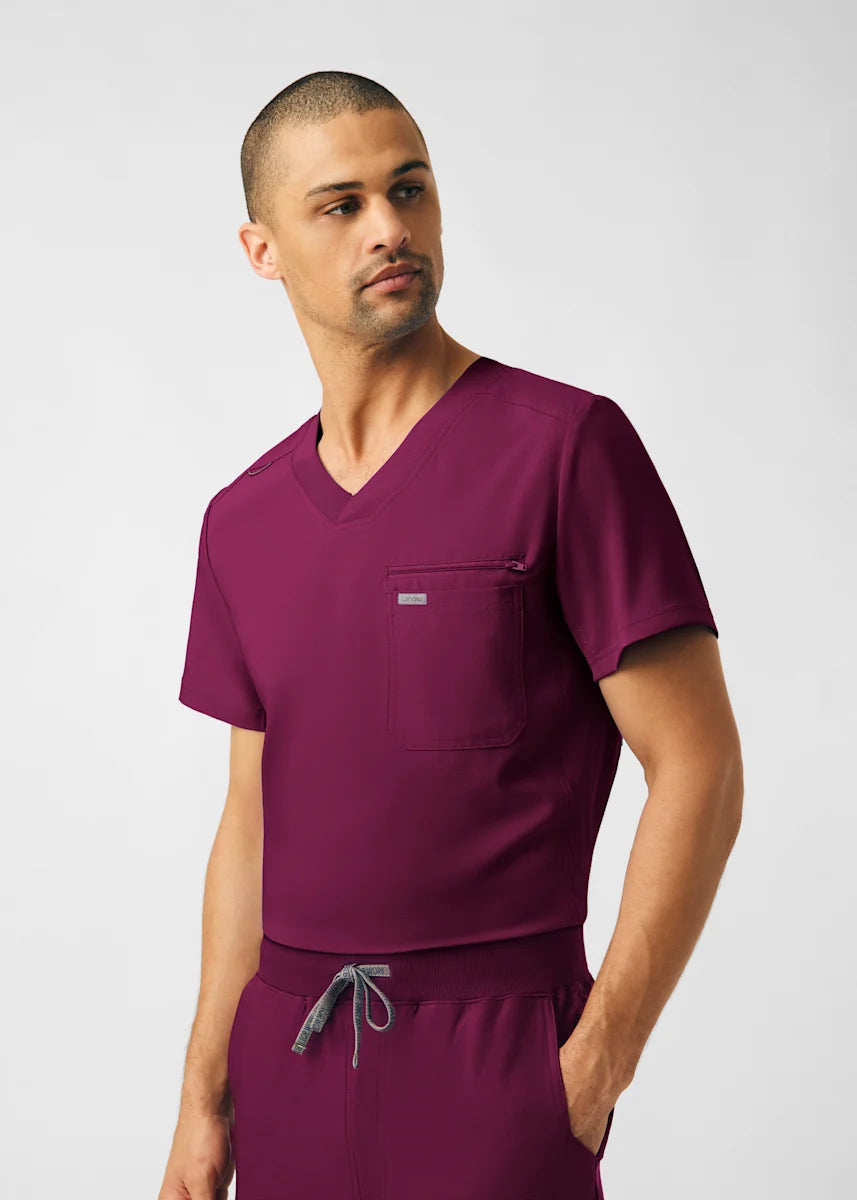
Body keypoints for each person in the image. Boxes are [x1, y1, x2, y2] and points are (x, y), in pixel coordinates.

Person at [158, 70, 743, 1200]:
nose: (389, 227)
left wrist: (598, 1059)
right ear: (262, 249)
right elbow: (249, 822)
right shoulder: (242, 522)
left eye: (409, 189)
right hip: (290, 1057)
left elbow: (699, 765)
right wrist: (202, 1100)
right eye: (342, 205)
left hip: (497, 1062)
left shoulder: (564, 449)